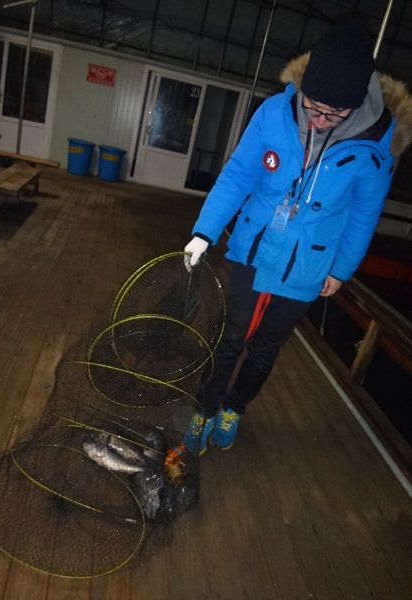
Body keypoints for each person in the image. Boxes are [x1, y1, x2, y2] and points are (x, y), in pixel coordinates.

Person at [182, 15, 412, 455]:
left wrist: (342, 269)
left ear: (355, 104)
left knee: (266, 348)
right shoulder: (274, 113)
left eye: (334, 113)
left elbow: (364, 214)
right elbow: (237, 175)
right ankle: (204, 408)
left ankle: (233, 408)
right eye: (313, 106)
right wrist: (204, 232)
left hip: (308, 265)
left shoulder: (378, 145)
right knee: (231, 337)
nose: (320, 120)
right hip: (252, 249)